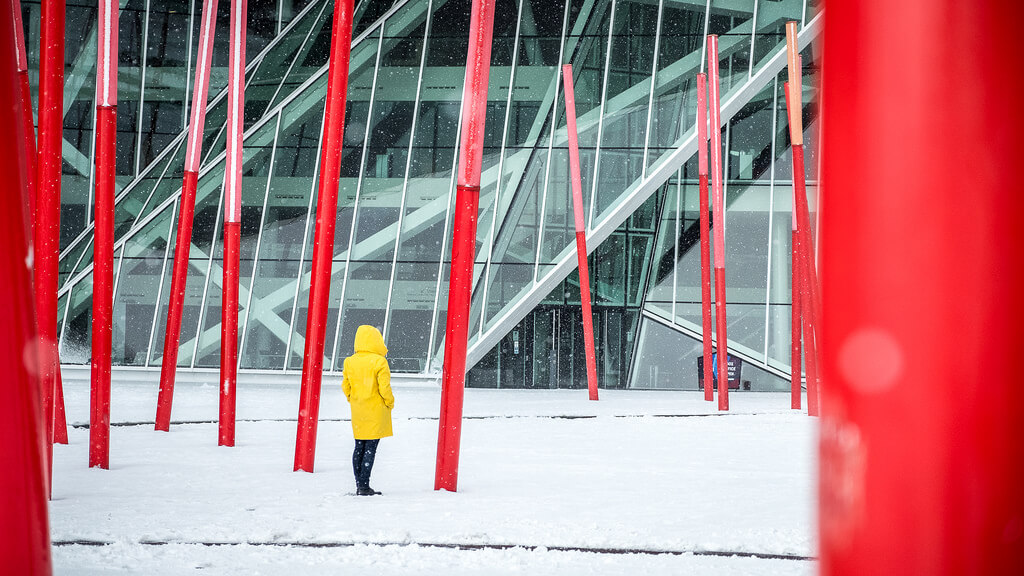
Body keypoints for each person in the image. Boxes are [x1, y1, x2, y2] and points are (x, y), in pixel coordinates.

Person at [342, 325, 394, 496]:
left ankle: (360, 484)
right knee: (370, 447)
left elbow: (346, 386)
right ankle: (364, 486)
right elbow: (384, 388)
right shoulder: (380, 361)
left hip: (358, 410)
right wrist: (390, 402)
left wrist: (353, 398)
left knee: (359, 446)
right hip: (375, 409)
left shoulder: (350, 361)